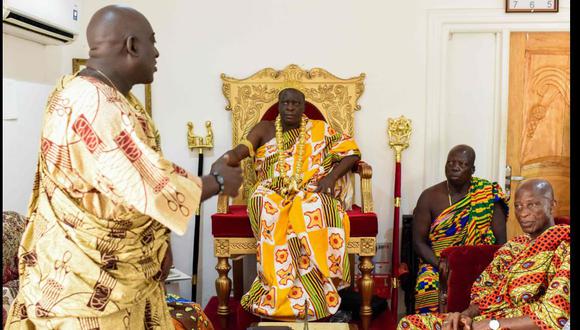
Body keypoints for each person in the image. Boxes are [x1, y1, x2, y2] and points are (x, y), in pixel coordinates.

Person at [5, 5, 242, 329]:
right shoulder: (94, 104)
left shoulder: (93, 94)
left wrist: (161, 247)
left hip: (115, 278)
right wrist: (216, 180)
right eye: (152, 42)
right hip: (86, 289)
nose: (157, 53)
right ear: (131, 46)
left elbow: (125, 190)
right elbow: (144, 184)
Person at [221, 88, 361, 321]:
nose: (290, 107)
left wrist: (330, 178)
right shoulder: (264, 129)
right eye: (285, 103)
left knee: (316, 208)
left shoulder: (319, 130)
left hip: (309, 188)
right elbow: (241, 151)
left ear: (303, 107)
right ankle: (276, 292)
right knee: (268, 207)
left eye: (296, 103)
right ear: (279, 105)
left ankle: (314, 297)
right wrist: (226, 160)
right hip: (269, 189)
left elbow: (352, 153)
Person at [398, 179, 570, 330]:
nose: (523, 213)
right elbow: (485, 294)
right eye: (518, 206)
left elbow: (554, 315)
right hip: (483, 321)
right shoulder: (513, 247)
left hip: (518, 325)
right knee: (410, 324)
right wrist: (464, 316)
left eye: (532, 204)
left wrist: (493, 325)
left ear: (552, 205)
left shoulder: (565, 245)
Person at [412, 145, 507, 313]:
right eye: (450, 163)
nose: (455, 167)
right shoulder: (429, 196)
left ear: (472, 169)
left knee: (495, 288)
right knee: (427, 285)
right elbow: (419, 242)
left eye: (462, 164)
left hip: (480, 263)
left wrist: (488, 268)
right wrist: (440, 264)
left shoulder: (487, 195)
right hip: (438, 261)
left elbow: (501, 243)